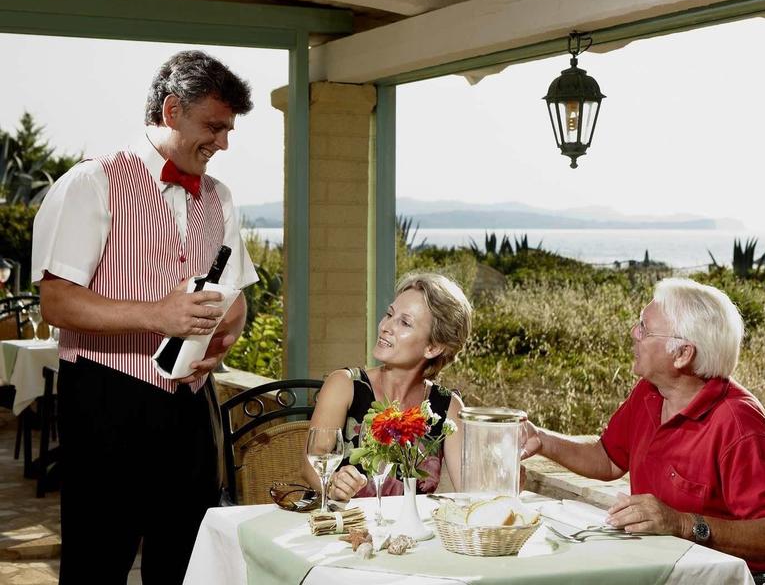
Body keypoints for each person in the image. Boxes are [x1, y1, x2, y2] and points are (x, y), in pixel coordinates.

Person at [31, 50, 259, 585]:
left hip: (189, 405)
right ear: (172, 109)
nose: (224, 142)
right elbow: (56, 302)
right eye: (214, 126)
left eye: (228, 130)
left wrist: (225, 336)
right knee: (97, 562)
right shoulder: (91, 183)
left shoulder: (220, 197)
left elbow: (237, 298)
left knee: (186, 562)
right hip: (107, 399)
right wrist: (157, 315)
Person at [522, 277, 765, 570]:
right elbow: (607, 459)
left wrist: (682, 523)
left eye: (644, 328)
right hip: (652, 569)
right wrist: (541, 439)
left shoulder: (739, 424)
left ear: (682, 354)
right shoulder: (650, 391)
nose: (634, 333)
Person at [301, 272, 473, 501]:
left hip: (409, 536)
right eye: (389, 314)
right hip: (341, 531)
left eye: (404, 322)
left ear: (433, 347)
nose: (385, 326)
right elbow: (311, 463)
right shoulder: (344, 385)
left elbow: (472, 489)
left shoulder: (447, 406)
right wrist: (333, 485)